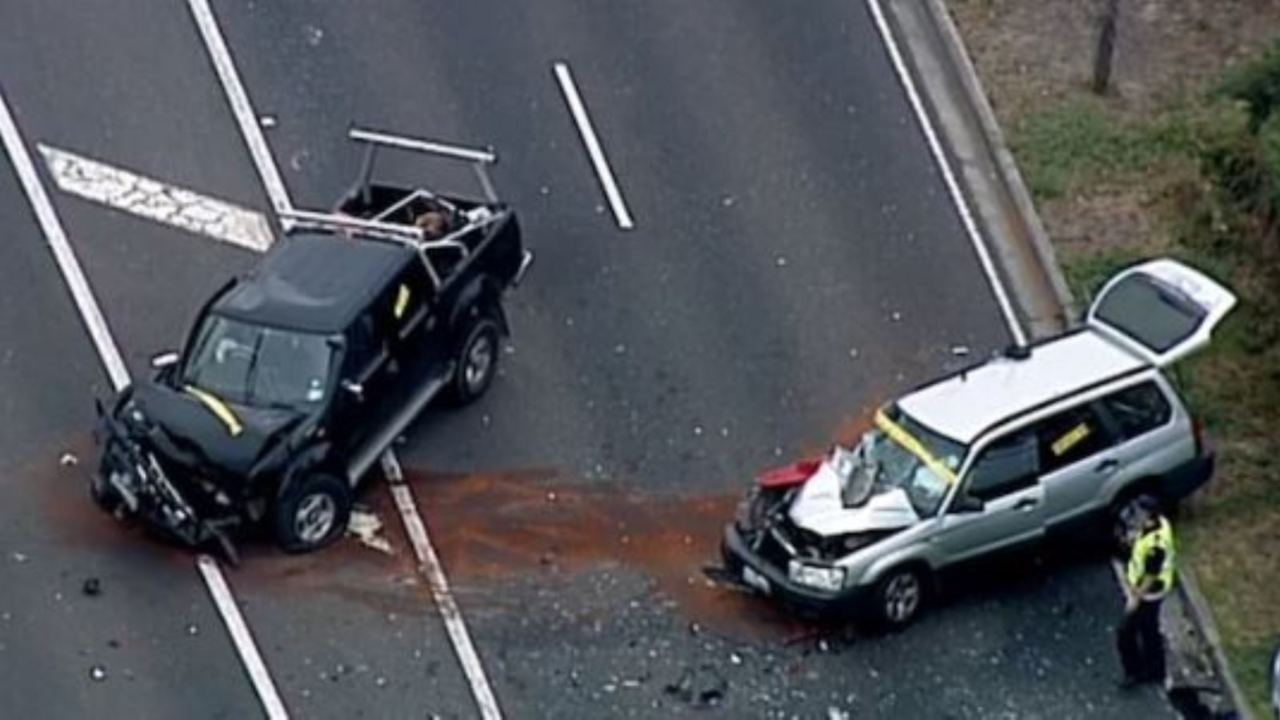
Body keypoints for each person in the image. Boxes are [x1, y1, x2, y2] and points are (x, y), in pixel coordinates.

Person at [1116, 497, 1176, 689]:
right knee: (1149, 631)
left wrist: (1136, 597)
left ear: (1149, 516)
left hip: (1149, 594)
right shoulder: (1159, 525)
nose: (1135, 517)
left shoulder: (1155, 545)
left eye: (1139, 513)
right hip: (1148, 590)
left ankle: (1136, 672)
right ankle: (1155, 669)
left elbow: (1151, 575)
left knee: (1126, 632)